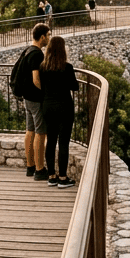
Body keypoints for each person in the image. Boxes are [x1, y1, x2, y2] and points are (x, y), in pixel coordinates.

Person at [39, 35, 79, 188]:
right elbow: (74, 86)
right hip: (64, 107)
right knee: (63, 142)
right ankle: (62, 178)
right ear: (63, 50)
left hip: (48, 107)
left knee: (50, 141)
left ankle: (51, 176)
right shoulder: (67, 67)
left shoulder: (43, 67)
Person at [19, 23, 51, 180]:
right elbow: (36, 78)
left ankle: (30, 166)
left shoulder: (27, 51)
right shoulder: (37, 54)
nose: (49, 38)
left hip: (27, 97)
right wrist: (45, 93)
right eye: (48, 35)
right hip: (36, 99)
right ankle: (39, 169)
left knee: (30, 130)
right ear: (42, 37)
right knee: (41, 132)